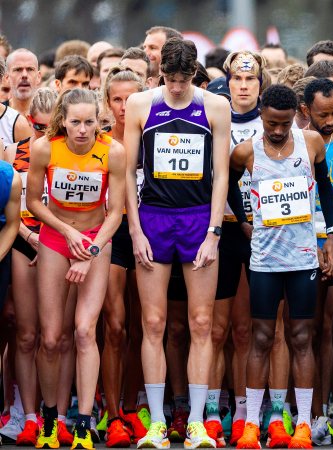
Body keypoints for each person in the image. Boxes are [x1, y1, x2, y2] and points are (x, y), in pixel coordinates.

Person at [122, 37, 230, 449]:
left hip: (198, 217)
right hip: (153, 217)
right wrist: (134, 230)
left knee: (201, 323)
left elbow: (221, 174)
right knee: (153, 323)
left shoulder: (213, 107)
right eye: (171, 79)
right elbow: (129, 171)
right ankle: (156, 425)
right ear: (160, 73)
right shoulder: (141, 104)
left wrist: (214, 232)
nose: (179, 87)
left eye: (185, 80)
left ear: (195, 75)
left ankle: (198, 422)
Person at [228, 83, 333, 450]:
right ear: (261, 115)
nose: (277, 130)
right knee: (261, 338)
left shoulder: (311, 144)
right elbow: (228, 185)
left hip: (303, 256)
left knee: (302, 337)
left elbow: (325, 187)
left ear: (296, 117)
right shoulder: (246, 152)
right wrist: (244, 221)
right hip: (264, 258)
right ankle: (250, 427)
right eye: (272, 123)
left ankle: (303, 423)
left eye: (284, 123)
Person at [27, 88, 126, 450]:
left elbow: (117, 212)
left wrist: (91, 249)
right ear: (62, 121)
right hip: (55, 239)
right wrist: (66, 231)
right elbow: (35, 202)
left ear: (98, 120)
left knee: (85, 331)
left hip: (97, 241)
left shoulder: (112, 151)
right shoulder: (45, 148)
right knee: (51, 337)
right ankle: (51, 419)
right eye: (75, 122)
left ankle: (83, 423)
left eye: (89, 122)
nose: (82, 130)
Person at [205, 51, 266, 448]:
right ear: (227, 81)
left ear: (261, 83)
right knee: (215, 328)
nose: (243, 86)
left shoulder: (276, 121)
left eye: (251, 80)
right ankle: (211, 411)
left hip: (262, 231)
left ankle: (245, 410)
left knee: (247, 330)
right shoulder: (213, 116)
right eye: (237, 80)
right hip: (222, 229)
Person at [0, 87, 56, 447]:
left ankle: (59, 414)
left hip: (58, 244)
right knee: (25, 333)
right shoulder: (13, 154)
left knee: (57, 337)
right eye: (37, 127)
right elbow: (12, 211)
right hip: (23, 241)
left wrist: (50, 240)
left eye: (53, 129)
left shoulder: (66, 154)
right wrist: (30, 237)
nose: (44, 135)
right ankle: (23, 411)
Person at [299, 77, 333, 445]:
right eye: (323, 114)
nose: (331, 120)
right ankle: (313, 411)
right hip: (303, 244)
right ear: (305, 110)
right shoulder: (296, 139)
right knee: (311, 328)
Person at [98, 66, 147, 448]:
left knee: (142, 327)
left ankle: (132, 407)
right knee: (114, 327)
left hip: (148, 236)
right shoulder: (98, 144)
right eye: (117, 99)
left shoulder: (156, 140)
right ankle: (112, 414)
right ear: (107, 101)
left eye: (132, 99)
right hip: (112, 237)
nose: (124, 107)